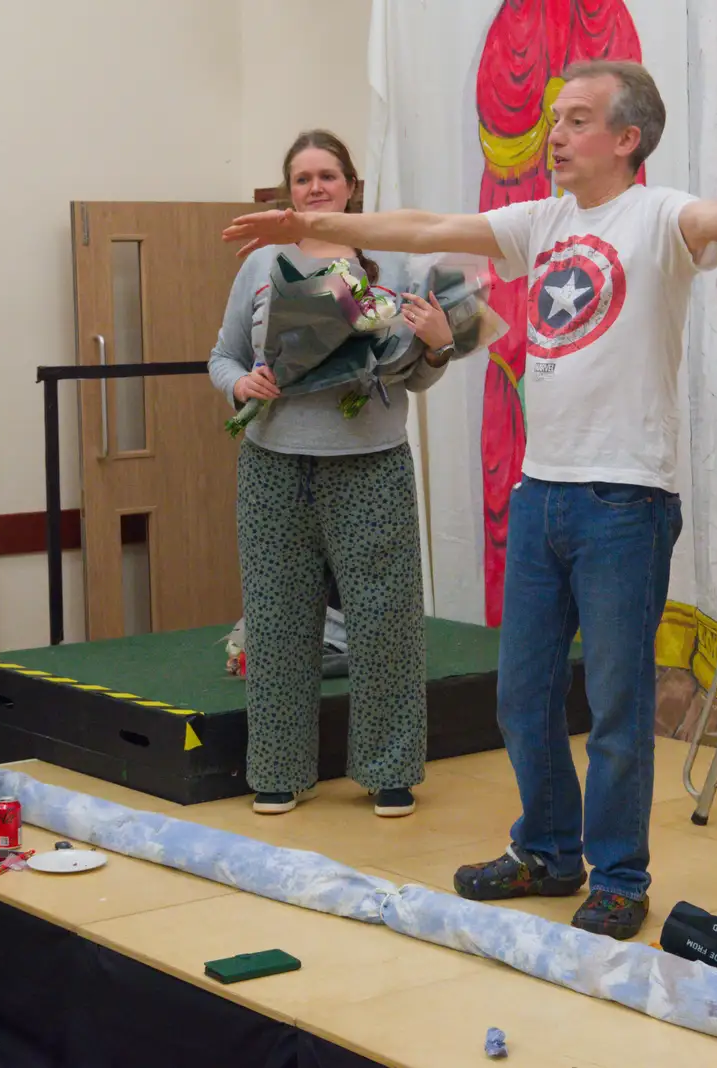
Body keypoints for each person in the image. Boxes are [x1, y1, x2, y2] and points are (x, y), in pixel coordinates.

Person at [223, 61, 717, 938]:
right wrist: (312, 222)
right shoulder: (543, 220)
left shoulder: (657, 216)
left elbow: (710, 217)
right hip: (541, 491)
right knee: (523, 695)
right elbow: (432, 224)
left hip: (624, 499)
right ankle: (549, 853)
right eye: (554, 117)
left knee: (620, 706)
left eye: (578, 119)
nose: (554, 133)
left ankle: (620, 876)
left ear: (626, 140)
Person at [208, 130, 463, 818]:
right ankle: (279, 771)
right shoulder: (262, 264)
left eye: (327, 176)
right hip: (273, 463)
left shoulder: (394, 264)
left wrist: (440, 348)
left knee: (386, 620)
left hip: (371, 464)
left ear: (351, 186)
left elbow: (417, 374)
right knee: (275, 617)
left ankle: (389, 771)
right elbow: (221, 357)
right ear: (288, 192)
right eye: (302, 179)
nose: (315, 188)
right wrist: (241, 387)